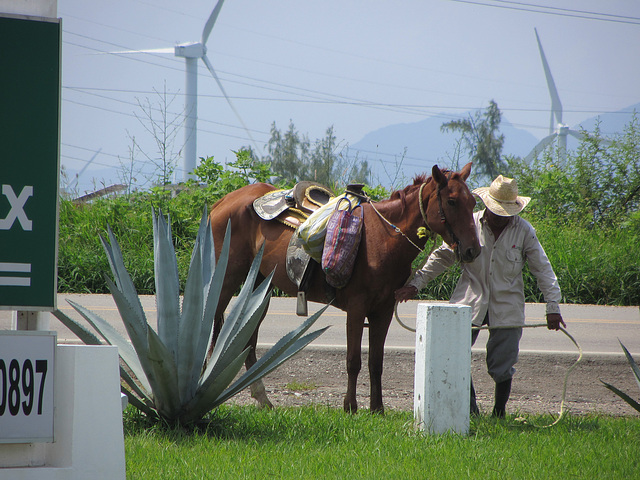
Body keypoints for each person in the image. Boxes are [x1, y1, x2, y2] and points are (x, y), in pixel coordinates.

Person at [395, 175, 565, 418]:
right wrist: (416, 284)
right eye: (497, 210)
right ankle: (471, 408)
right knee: (454, 353)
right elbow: (442, 257)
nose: (500, 216)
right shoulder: (470, 223)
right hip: (469, 299)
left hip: (507, 305)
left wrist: (553, 307)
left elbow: (543, 269)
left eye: (506, 212)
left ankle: (499, 411)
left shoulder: (524, 231)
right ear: (487, 205)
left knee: (503, 364)